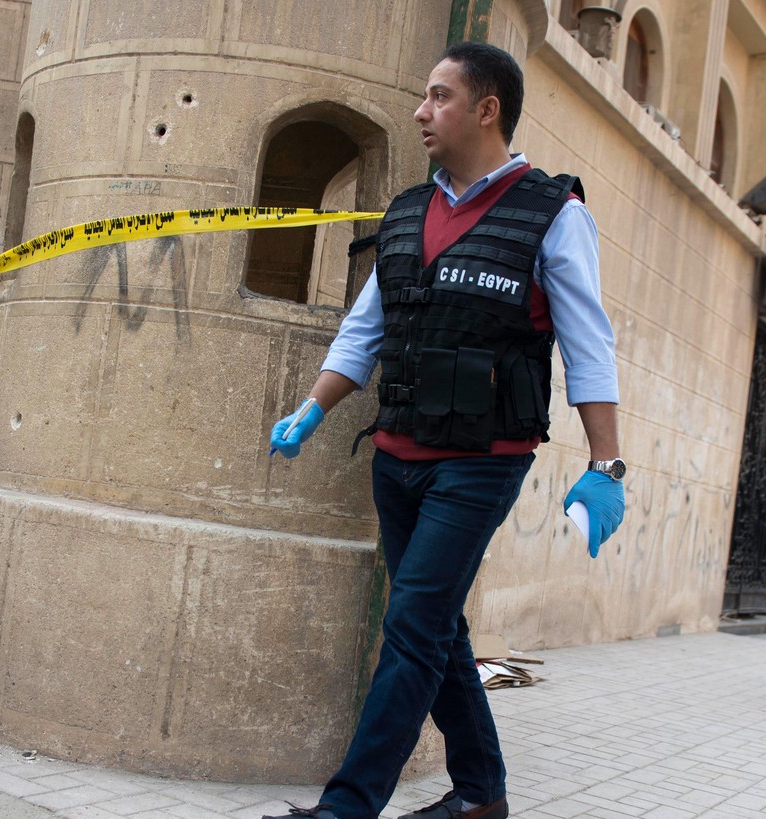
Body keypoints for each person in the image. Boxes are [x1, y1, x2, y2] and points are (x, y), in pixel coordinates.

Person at [262, 42, 623, 819]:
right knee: (435, 625)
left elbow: (591, 345)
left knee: (412, 625)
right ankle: (483, 793)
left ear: (486, 109)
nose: (421, 112)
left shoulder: (554, 214)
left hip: (481, 463)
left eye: (438, 97)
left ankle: (347, 806)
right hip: (395, 456)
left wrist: (608, 463)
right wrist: (313, 407)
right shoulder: (405, 212)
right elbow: (366, 331)